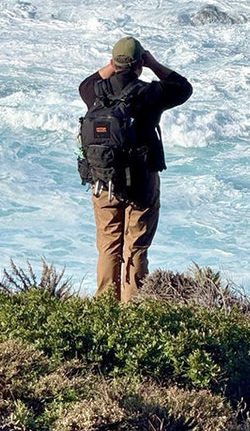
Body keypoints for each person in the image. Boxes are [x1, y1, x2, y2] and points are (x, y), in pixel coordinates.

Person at [79, 36, 192, 302]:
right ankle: (133, 309)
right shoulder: (149, 94)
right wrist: (153, 64)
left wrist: (110, 66)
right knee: (136, 246)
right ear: (139, 64)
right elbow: (182, 88)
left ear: (114, 63)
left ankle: (105, 306)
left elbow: (84, 83)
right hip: (141, 184)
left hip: (103, 182)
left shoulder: (95, 92)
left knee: (108, 247)